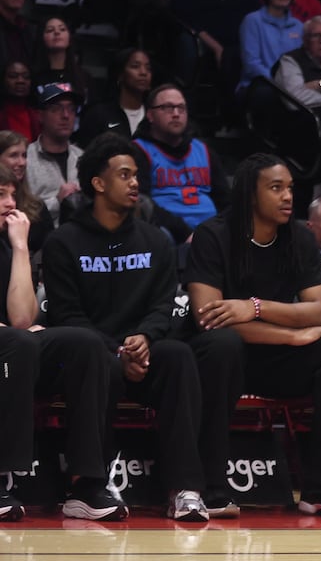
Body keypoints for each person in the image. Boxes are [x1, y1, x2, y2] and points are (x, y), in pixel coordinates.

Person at [42, 134, 212, 521]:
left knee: (179, 355)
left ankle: (185, 489)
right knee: (92, 356)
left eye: (136, 175)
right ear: (98, 183)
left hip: (143, 352)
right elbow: (66, 316)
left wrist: (146, 338)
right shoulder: (63, 242)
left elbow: (164, 304)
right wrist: (117, 351)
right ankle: (86, 487)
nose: (135, 183)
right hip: (91, 357)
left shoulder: (156, 241)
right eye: (124, 175)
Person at [185, 154, 321, 517]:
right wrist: (291, 336)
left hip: (272, 355)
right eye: (276, 188)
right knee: (222, 345)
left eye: (291, 188)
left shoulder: (298, 236)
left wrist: (255, 307)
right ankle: (211, 487)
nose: (287, 197)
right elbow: (208, 318)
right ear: (251, 194)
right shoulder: (213, 235)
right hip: (222, 356)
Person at [0, 164, 127, 522]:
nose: (10, 203)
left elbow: (22, 318)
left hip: (13, 345)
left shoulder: (8, 244)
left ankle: (86, 482)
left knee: (84, 343)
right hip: (12, 347)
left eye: (13, 194)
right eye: (1, 195)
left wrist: (20, 247)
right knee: (18, 343)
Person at [135, 84, 221, 234]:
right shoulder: (138, 151)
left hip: (211, 231)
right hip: (167, 232)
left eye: (181, 108)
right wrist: (185, 233)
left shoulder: (203, 150)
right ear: (150, 115)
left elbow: (225, 201)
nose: (176, 114)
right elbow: (141, 202)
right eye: (167, 108)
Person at [27, 82, 84, 217]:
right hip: (41, 230)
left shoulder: (84, 157)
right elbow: (20, 210)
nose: (66, 115)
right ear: (41, 116)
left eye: (71, 109)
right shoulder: (25, 159)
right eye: (56, 109)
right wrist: (57, 201)